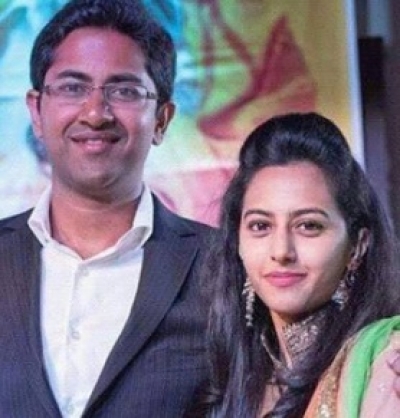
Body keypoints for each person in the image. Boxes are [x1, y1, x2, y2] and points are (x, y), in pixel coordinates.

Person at [0, 0, 213, 417]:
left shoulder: (222, 267)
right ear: (36, 111)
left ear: (162, 119)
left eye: (124, 91)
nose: (96, 113)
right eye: (72, 87)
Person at [190, 112, 400, 417]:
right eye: (261, 226)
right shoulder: (230, 383)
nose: (281, 251)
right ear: (238, 243)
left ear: (357, 245)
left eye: (308, 226)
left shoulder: (385, 360)